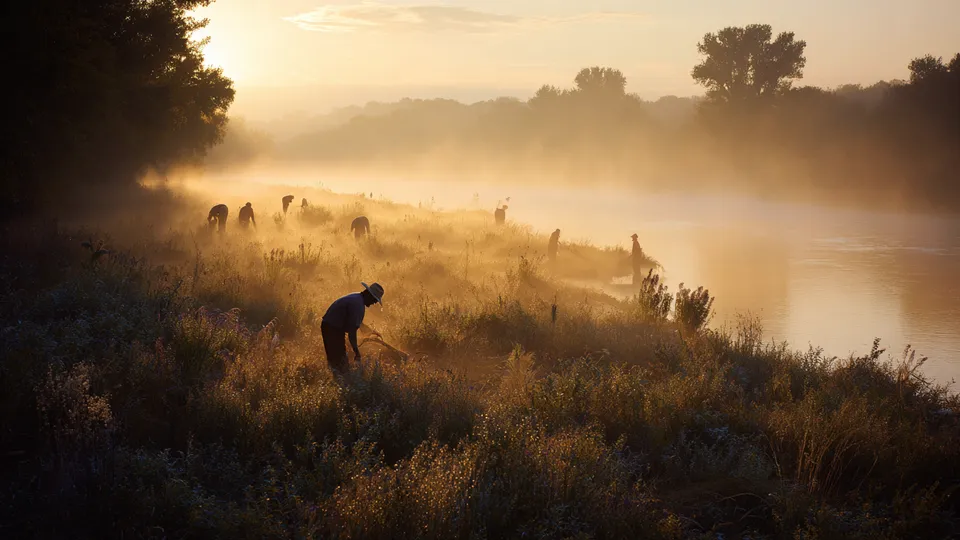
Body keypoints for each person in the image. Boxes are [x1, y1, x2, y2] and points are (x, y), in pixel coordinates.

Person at [321, 282, 384, 374]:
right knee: (340, 363)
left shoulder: (356, 298)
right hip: (332, 329)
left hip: (330, 326)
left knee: (336, 360)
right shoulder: (358, 306)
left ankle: (334, 377)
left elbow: (354, 321)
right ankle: (339, 380)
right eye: (374, 299)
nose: (374, 303)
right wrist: (357, 352)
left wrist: (369, 331)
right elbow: (352, 333)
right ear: (369, 295)